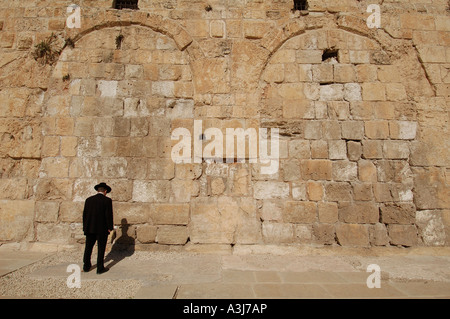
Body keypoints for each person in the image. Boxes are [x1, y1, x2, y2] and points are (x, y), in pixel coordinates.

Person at [82, 182, 114, 274]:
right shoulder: (107, 200)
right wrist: (110, 227)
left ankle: (86, 266)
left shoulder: (88, 200)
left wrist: (85, 227)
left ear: (97, 190)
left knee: (88, 247)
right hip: (102, 229)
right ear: (105, 191)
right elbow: (108, 215)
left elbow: (85, 215)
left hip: (90, 228)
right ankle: (100, 268)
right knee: (101, 248)